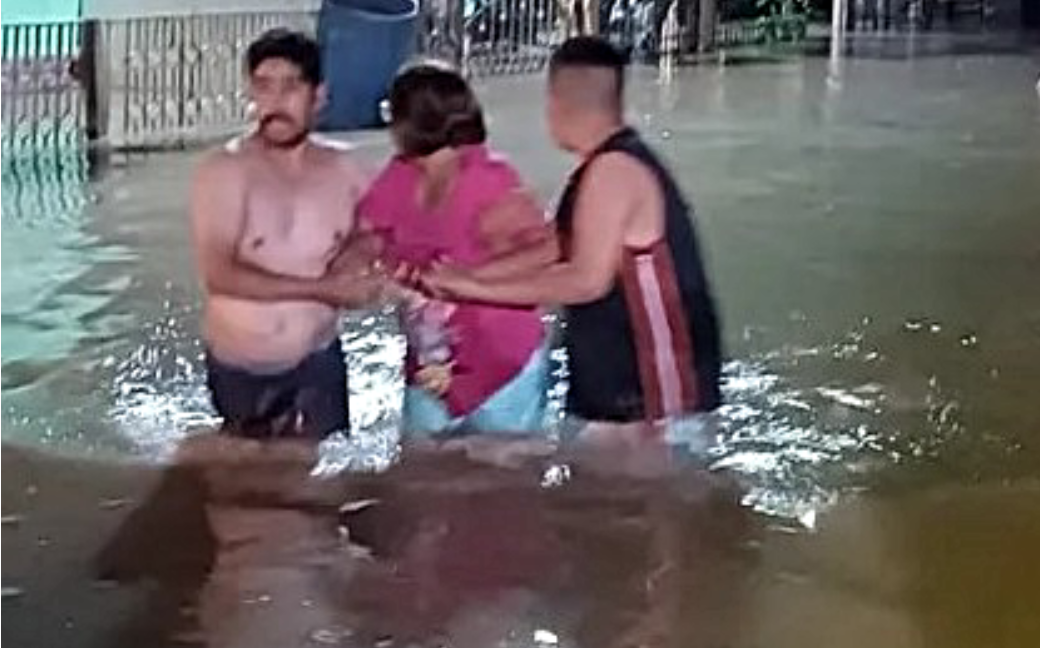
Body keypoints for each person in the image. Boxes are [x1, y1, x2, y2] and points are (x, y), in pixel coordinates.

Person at [423, 36, 723, 433]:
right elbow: (554, 248)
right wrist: (460, 277)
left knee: (640, 493)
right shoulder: (600, 168)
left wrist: (472, 288)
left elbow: (584, 280)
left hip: (649, 404)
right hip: (611, 394)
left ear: (557, 102)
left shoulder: (613, 172)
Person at [188, 28, 381, 440]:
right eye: (263, 87)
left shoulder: (347, 171)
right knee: (251, 490)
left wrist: (356, 252)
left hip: (318, 360)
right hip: (243, 367)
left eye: (291, 87)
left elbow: (381, 230)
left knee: (327, 488)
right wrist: (325, 289)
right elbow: (219, 274)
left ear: (319, 95)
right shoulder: (224, 172)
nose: (275, 103)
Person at [356, 62, 557, 438]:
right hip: (432, 363)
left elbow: (549, 251)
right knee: (424, 477)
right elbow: (368, 235)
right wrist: (373, 271)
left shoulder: (491, 179)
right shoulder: (400, 175)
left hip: (503, 365)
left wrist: (467, 280)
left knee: (504, 474)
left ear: (405, 123)